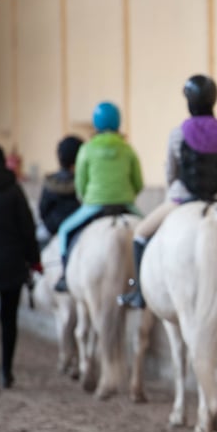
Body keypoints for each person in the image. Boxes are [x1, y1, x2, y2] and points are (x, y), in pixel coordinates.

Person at [118, 74, 217, 309]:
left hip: (182, 200)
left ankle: (139, 292)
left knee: (141, 234)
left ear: (189, 102)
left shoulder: (178, 133)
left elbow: (171, 175)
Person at [54, 101, 144, 292]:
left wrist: (88, 198)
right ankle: (144, 282)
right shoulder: (128, 149)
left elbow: (80, 185)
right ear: (119, 122)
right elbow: (138, 183)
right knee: (150, 235)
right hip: (126, 204)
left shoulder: (86, 149)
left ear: (96, 124)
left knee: (64, 231)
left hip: (94, 206)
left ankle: (64, 276)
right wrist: (126, 195)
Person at [0, 143, 41, 391]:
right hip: (12, 264)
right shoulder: (14, 190)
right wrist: (34, 260)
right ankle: (6, 372)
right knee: (9, 320)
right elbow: (28, 229)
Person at [37, 136, 83, 248]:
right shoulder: (82, 182)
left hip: (52, 228)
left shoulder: (50, 181)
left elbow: (43, 209)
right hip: (78, 227)